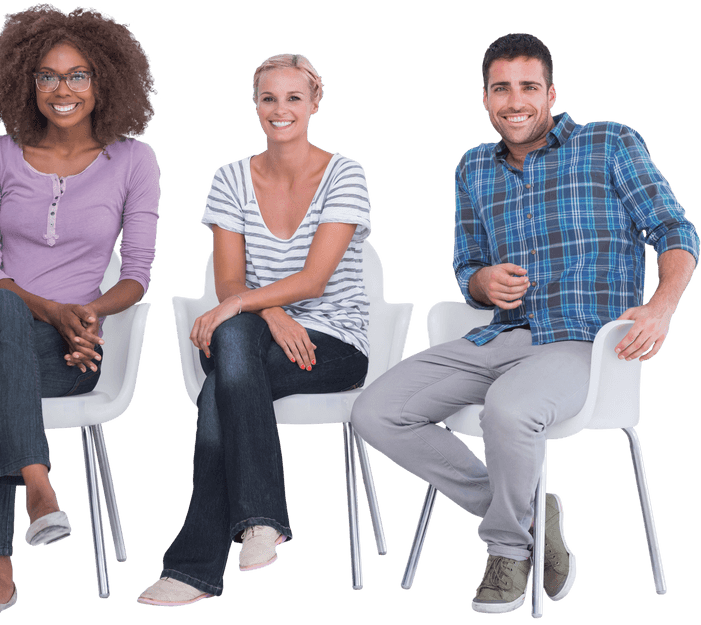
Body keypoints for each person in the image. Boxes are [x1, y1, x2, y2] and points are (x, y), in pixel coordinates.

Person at [351, 32, 698, 615]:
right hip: (504, 334)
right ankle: (535, 510)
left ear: (551, 93)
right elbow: (467, 265)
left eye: (528, 87)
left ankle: (509, 548)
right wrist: (482, 284)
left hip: (587, 340)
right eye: (501, 89)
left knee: (508, 409)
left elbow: (674, 231)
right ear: (485, 99)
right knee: (375, 412)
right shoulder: (471, 168)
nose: (516, 101)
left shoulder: (610, 142)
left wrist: (662, 304)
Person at [0, 5, 160, 621]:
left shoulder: (135, 163)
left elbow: (138, 271)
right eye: (47, 76)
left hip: (69, 350)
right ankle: (38, 483)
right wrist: (52, 309)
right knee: (3, 312)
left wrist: (84, 314)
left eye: (79, 75)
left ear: (104, 82)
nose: (62, 90)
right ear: (25, 82)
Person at [137, 53, 373, 607]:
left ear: (315, 103)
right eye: (269, 97)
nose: (281, 109)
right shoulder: (230, 178)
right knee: (235, 339)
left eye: (294, 97)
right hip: (253, 334)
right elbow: (230, 280)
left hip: (333, 343)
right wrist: (266, 311)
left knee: (222, 381)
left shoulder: (346, 174)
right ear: (255, 104)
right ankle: (260, 521)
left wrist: (246, 306)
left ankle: (194, 567)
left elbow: (315, 279)